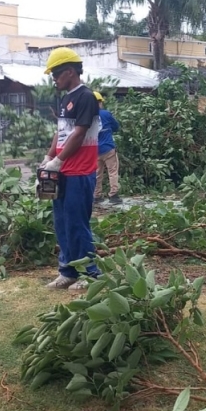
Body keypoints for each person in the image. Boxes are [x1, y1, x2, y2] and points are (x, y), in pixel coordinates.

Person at [39, 47, 101, 290]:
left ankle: (90, 274)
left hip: (80, 172)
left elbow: (79, 133)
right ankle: (68, 272)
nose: (53, 79)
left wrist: (58, 160)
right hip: (64, 171)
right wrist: (49, 156)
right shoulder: (65, 99)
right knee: (62, 223)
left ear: (69, 72)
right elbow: (62, 132)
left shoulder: (86, 97)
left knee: (77, 224)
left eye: (55, 74)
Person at [92, 91, 122, 204]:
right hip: (108, 148)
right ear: (99, 103)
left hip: (95, 150)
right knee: (113, 171)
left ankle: (96, 196)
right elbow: (116, 127)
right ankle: (113, 195)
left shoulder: (88, 116)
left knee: (97, 173)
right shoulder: (106, 114)